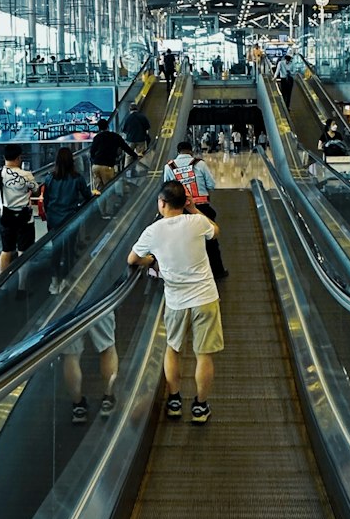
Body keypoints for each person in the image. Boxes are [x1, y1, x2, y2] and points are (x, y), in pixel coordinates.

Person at [128, 178, 224, 423]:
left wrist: (151, 260)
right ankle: (200, 406)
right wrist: (193, 209)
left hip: (176, 299)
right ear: (184, 202)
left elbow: (132, 259)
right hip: (205, 297)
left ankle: (174, 400)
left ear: (162, 203)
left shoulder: (153, 231)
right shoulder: (197, 221)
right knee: (204, 354)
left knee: (173, 348)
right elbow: (215, 232)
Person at [163, 138, 228, 279]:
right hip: (202, 208)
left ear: (178, 152)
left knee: (183, 241)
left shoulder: (169, 167)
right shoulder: (200, 164)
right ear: (191, 151)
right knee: (211, 240)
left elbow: (166, 188)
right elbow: (211, 185)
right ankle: (218, 271)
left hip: (180, 210)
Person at [41, 145, 91, 294]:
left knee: (56, 250)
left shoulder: (49, 178)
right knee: (70, 249)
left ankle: (54, 281)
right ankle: (66, 280)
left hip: (54, 219)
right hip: (70, 219)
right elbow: (87, 196)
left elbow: (46, 200)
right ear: (72, 161)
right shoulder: (77, 178)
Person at [0, 144, 40, 281]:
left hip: (6, 217)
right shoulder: (26, 175)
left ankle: (2, 285)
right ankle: (21, 287)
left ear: (4, 157)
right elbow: (35, 190)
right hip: (25, 219)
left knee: (6, 251)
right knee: (23, 253)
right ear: (19, 158)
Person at [63, 310, 118, 422]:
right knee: (107, 347)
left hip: (68, 301)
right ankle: (108, 399)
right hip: (96, 297)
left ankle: (78, 407)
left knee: (71, 354)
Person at [90, 117, 142, 207]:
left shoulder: (97, 137)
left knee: (98, 191)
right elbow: (126, 147)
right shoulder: (114, 136)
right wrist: (135, 156)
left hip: (95, 166)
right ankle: (109, 212)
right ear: (108, 126)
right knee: (109, 190)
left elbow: (92, 152)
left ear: (99, 128)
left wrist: (94, 161)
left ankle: (102, 213)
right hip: (107, 166)